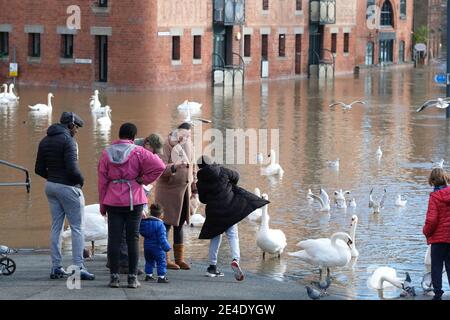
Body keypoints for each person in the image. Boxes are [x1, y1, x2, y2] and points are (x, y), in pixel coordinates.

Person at [98, 123, 165, 289]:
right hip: (134, 199)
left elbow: (102, 181)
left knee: (114, 238)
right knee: (132, 238)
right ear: (134, 137)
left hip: (112, 199)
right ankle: (132, 278)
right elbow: (160, 166)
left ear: (119, 135)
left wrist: (102, 205)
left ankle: (114, 278)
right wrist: (143, 179)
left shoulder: (106, 153)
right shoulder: (138, 151)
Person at [35, 111, 95, 280]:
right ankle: (79, 267)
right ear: (70, 125)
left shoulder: (44, 140)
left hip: (51, 187)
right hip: (68, 187)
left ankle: (56, 267)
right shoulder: (69, 141)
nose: (76, 131)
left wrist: (53, 179)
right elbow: (72, 168)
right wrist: (80, 181)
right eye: (76, 127)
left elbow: (38, 169)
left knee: (56, 227)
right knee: (77, 227)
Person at [195, 155, 269, 280]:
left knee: (215, 238)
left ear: (200, 168)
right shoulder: (223, 171)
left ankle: (212, 267)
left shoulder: (200, 182)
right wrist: (229, 186)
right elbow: (236, 176)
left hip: (214, 212)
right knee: (233, 236)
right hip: (230, 208)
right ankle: (235, 260)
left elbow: (202, 200)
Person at [154, 123, 197, 270]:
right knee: (165, 225)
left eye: (189, 136)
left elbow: (193, 167)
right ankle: (165, 259)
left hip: (184, 191)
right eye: (184, 136)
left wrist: (194, 188)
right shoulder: (165, 146)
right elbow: (160, 169)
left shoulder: (189, 145)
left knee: (180, 225)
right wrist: (174, 166)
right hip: (168, 191)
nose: (186, 139)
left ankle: (179, 259)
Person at [423, 168, 450, 300]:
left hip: (439, 239)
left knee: (436, 266)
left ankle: (438, 293)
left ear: (432, 181)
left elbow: (432, 220)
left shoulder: (435, 197)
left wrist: (426, 231)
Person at [140, 203, 171, 283]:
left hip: (147, 247)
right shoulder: (161, 225)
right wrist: (167, 247)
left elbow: (141, 232)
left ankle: (148, 275)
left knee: (149, 261)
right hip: (158, 248)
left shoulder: (144, 223)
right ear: (160, 215)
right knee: (161, 262)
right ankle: (161, 277)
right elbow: (162, 238)